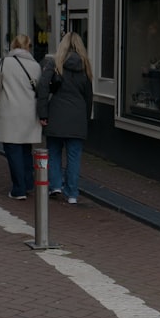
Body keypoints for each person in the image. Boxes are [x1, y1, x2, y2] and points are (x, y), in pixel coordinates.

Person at [36, 32, 94, 205]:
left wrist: (43, 114)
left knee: (53, 152)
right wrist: (85, 117)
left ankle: (55, 186)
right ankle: (72, 193)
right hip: (77, 117)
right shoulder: (85, 65)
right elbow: (88, 96)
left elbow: (43, 88)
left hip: (56, 115)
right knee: (74, 157)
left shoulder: (54, 63)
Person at [0, 34, 42, 200]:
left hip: (9, 112)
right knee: (26, 149)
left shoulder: (4, 62)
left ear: (13, 45)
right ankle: (28, 183)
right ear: (29, 47)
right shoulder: (36, 66)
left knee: (13, 150)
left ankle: (19, 189)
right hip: (29, 113)